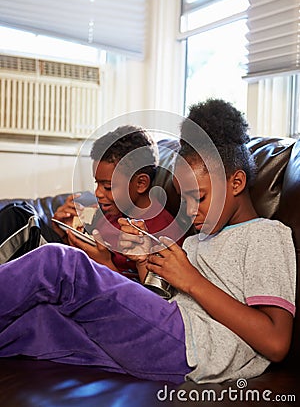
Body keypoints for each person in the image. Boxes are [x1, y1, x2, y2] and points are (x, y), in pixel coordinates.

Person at [0, 99, 296, 385]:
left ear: (236, 183)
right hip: (166, 342)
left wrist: (191, 280)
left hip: (193, 348)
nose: (190, 211)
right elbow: (160, 306)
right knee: (39, 322)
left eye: (200, 197)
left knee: (60, 262)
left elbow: (276, 341)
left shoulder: (266, 235)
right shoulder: (197, 242)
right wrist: (145, 261)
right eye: (184, 200)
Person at [52, 125, 185, 282]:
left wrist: (105, 263)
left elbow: (152, 300)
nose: (98, 193)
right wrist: (65, 233)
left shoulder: (165, 235)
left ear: (141, 184)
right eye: (97, 184)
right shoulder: (109, 217)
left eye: (108, 186)